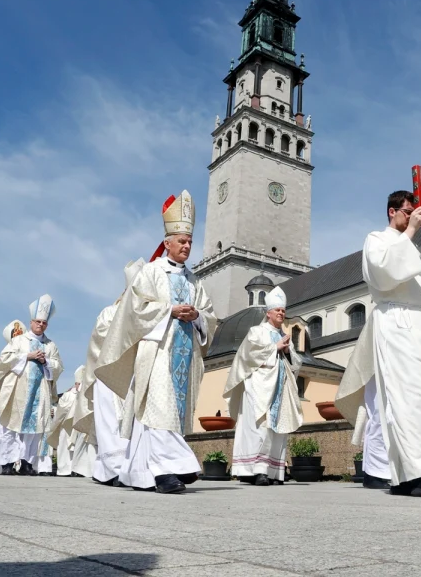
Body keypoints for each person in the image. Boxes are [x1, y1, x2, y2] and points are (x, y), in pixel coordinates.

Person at [335, 190, 421, 498]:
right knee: (407, 396)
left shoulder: (417, 250)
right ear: (392, 211)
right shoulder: (377, 239)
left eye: (414, 212)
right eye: (408, 212)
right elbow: (382, 274)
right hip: (396, 321)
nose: (413, 217)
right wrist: (409, 231)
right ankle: (412, 473)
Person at [94, 190, 217, 495]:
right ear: (167, 243)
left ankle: (145, 472)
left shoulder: (194, 280)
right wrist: (171, 310)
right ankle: (169, 470)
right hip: (157, 349)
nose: (187, 246)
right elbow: (134, 310)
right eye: (182, 241)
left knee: (159, 411)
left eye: (190, 242)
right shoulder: (151, 272)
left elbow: (211, 316)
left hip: (184, 351)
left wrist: (197, 314)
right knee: (160, 406)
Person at [224, 286, 303, 486]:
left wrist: (286, 351)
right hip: (259, 388)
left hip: (279, 388)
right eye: (277, 310)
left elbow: (296, 363)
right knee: (260, 428)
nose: (281, 313)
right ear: (268, 313)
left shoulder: (285, 336)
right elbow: (247, 355)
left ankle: (274, 471)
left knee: (278, 429)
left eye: (283, 310)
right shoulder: (256, 331)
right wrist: (274, 348)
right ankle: (256, 470)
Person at [0, 301, 63, 476]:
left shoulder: (50, 345)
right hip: (17, 389)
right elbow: (4, 359)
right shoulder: (18, 341)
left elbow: (58, 366)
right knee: (10, 426)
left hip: (39, 390)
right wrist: (28, 356)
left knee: (33, 429)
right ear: (31, 321)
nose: (41, 324)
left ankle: (26, 463)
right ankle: (7, 463)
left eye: (44, 322)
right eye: (38, 321)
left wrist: (45, 361)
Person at [80, 260, 145, 486]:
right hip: (109, 371)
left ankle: (125, 468)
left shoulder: (144, 312)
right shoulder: (110, 312)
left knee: (130, 421)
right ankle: (113, 468)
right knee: (110, 421)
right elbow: (101, 337)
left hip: (135, 373)